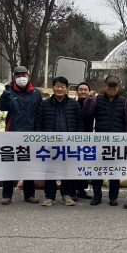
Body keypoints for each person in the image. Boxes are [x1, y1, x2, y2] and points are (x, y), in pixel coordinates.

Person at [35, 76, 84, 206]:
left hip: (69, 143)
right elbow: (39, 123)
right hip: (50, 143)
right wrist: (41, 140)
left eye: (62, 86)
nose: (60, 89)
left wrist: (78, 140)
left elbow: (80, 123)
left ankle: (66, 195)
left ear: (67, 89)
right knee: (50, 170)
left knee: (67, 169)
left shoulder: (74, 104)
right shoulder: (44, 104)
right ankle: (50, 196)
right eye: (57, 86)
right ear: (53, 88)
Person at [82, 74, 127, 206]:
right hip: (99, 141)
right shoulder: (96, 100)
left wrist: (126, 139)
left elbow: (126, 122)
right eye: (110, 86)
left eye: (115, 86)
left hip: (117, 142)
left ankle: (113, 197)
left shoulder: (123, 101)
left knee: (114, 171)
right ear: (105, 86)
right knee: (97, 170)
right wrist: (89, 100)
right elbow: (86, 113)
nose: (112, 88)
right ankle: (97, 196)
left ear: (118, 87)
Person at [0, 66, 42, 205]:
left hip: (31, 133)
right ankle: (7, 195)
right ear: (14, 78)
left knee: (29, 164)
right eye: (18, 76)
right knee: (10, 164)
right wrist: (5, 93)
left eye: (23, 75)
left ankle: (29, 194)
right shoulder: (9, 92)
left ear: (28, 76)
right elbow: (2, 106)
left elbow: (40, 111)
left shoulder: (36, 93)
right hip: (13, 132)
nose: (21, 78)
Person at [72, 81, 95, 200]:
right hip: (75, 138)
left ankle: (82, 189)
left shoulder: (92, 105)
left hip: (88, 137)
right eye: (80, 89)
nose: (83, 91)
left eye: (85, 89)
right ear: (77, 92)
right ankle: (72, 190)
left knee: (85, 164)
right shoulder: (72, 105)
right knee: (74, 164)